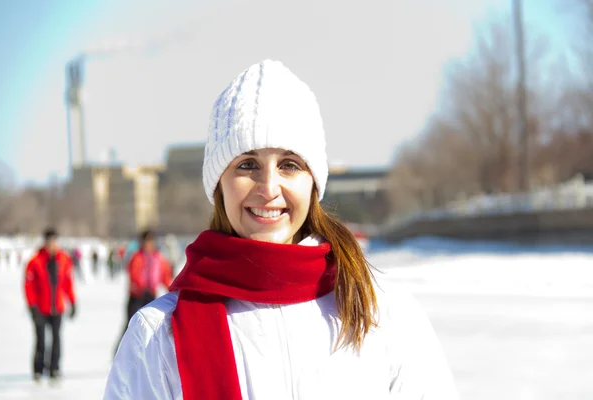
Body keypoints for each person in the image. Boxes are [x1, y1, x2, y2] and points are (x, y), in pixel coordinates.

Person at [104, 60, 458, 399]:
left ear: (313, 184)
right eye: (247, 165)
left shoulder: (381, 313)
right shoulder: (158, 335)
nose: (268, 187)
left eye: (289, 165)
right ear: (219, 184)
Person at [24, 228, 77, 382]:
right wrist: (32, 306)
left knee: (56, 339)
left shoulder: (64, 260)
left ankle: (54, 368)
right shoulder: (35, 261)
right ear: (45, 242)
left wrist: (72, 301)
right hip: (40, 308)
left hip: (57, 307)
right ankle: (38, 369)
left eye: (54, 241)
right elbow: (29, 285)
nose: (52, 245)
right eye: (49, 242)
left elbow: (68, 283)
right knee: (40, 339)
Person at [120, 230, 173, 336]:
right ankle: (121, 351)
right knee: (130, 326)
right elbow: (133, 273)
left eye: (150, 241)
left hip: (150, 295)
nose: (148, 245)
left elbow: (165, 276)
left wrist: (172, 291)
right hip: (137, 296)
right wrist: (139, 286)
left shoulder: (159, 258)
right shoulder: (137, 257)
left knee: (151, 326)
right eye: (146, 242)